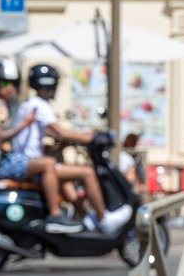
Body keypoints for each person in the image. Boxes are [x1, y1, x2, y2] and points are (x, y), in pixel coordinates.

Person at [12, 64, 132, 235]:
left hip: (29, 162)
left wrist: (75, 137)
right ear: (48, 84)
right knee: (87, 172)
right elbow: (61, 131)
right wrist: (92, 137)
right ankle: (103, 218)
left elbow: (53, 133)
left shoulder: (29, 105)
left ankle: (83, 216)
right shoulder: (40, 105)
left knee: (66, 177)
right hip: (32, 163)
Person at [0, 60, 83, 234]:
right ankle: (55, 215)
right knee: (48, 164)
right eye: (4, 83)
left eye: (14, 84)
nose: (9, 88)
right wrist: (24, 125)